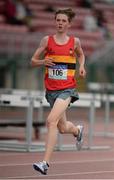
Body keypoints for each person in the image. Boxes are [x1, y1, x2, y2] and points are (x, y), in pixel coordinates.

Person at [31, 8, 86, 175]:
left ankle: (45, 163)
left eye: (63, 21)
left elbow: (81, 55)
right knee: (62, 128)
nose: (60, 23)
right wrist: (43, 61)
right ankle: (77, 131)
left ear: (69, 24)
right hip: (51, 91)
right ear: (55, 22)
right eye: (58, 20)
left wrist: (82, 66)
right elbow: (32, 61)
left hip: (67, 89)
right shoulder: (46, 41)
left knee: (51, 121)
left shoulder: (74, 42)